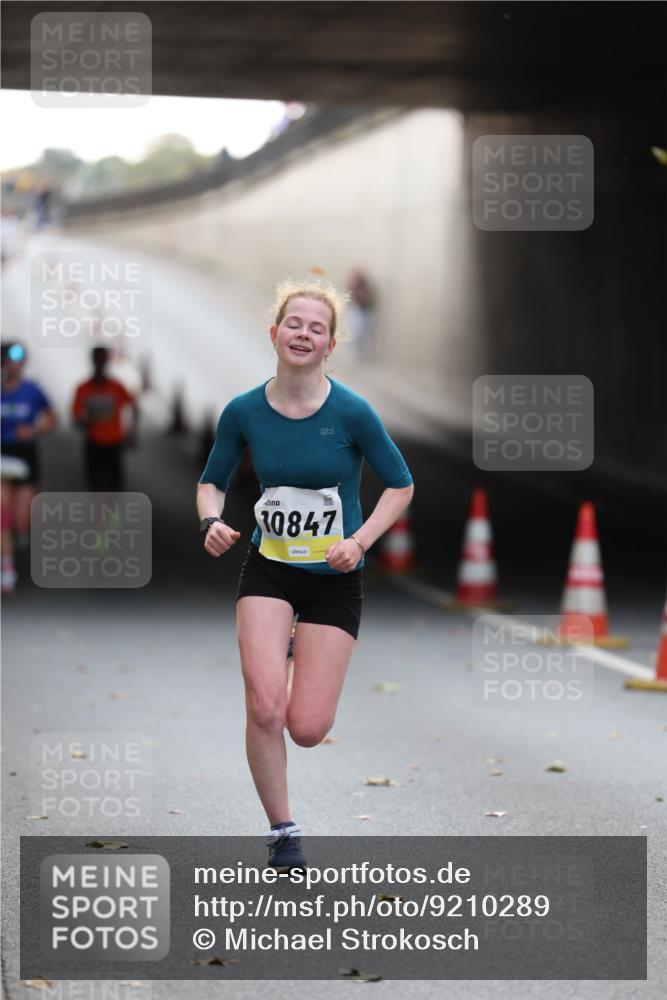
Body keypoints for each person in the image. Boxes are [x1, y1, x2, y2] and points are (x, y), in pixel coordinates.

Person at [196, 278, 414, 872]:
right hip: (268, 570)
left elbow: (401, 483)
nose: (303, 334)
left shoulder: (352, 412)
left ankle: (293, 649)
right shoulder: (243, 411)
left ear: (330, 346)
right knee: (265, 706)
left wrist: (360, 539)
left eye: (317, 328)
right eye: (294, 323)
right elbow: (211, 480)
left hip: (334, 577)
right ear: (274, 333)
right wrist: (210, 520)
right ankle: (282, 831)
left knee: (308, 727)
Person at [1, 342, 57, 590]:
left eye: (21, 357)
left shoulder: (32, 391)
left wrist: (34, 429)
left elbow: (52, 418)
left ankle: (19, 536)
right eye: (11, 357)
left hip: (25, 457)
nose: (16, 362)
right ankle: (7, 568)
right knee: (3, 513)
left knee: (20, 519)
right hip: (2, 455)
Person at [72, 347, 139, 490]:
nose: (100, 363)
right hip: (93, 442)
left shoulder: (116, 387)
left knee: (115, 486)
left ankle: (113, 513)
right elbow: (76, 418)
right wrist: (84, 421)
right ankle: (97, 511)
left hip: (114, 443)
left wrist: (132, 433)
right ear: (92, 361)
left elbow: (135, 407)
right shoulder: (83, 388)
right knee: (94, 485)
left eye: (103, 359)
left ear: (107, 361)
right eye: (97, 359)